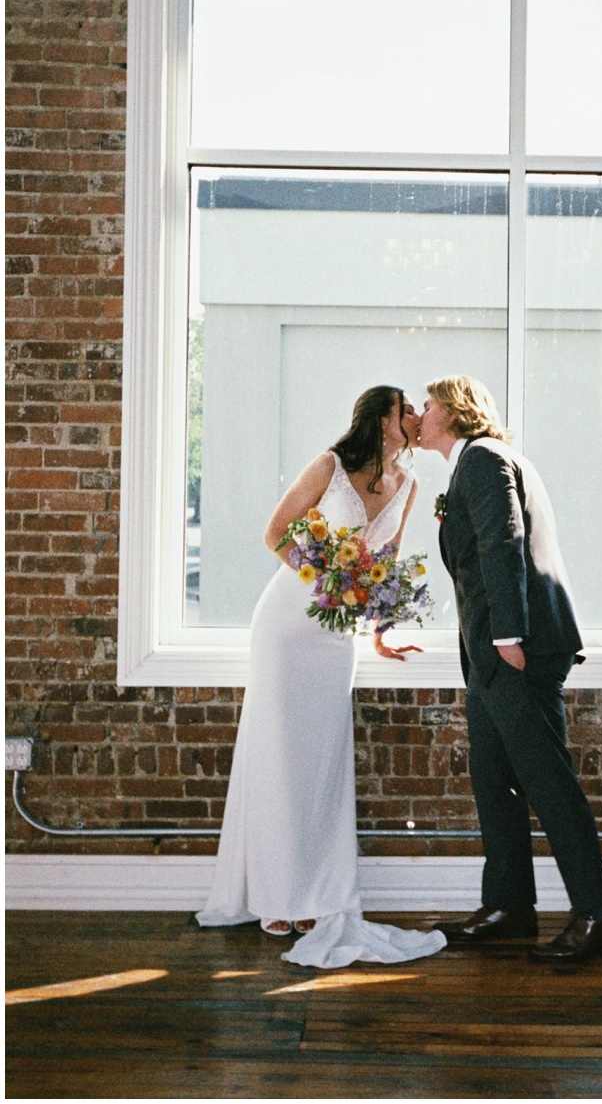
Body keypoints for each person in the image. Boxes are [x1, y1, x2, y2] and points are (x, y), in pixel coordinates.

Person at [196, 385, 446, 969]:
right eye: (406, 409)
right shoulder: (329, 466)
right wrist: (329, 577)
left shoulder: (407, 486)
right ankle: (274, 897)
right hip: (287, 625)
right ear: (383, 419)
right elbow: (276, 534)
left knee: (321, 763)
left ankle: (316, 893)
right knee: (279, 756)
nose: (415, 418)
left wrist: (381, 629)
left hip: (337, 639)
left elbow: (386, 561)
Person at [418, 375, 602, 963]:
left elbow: (504, 542)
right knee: (494, 779)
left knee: (545, 781)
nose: (420, 412)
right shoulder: (472, 464)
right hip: (493, 652)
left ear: (456, 412)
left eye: (429, 404)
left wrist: (508, 634)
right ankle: (509, 906)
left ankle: (600, 912)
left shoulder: (484, 457)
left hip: (517, 649)